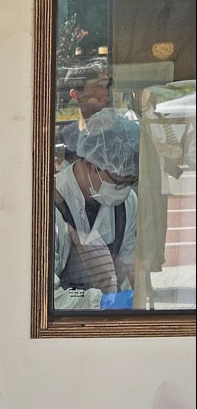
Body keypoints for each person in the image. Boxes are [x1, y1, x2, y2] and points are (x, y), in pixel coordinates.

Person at [53, 108, 141, 311]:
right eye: (119, 182)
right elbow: (46, 298)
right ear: (91, 164)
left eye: (131, 181)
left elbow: (125, 268)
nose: (125, 190)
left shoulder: (128, 203)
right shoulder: (53, 205)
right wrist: (99, 303)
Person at [57, 60, 112, 166]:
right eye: (100, 85)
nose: (107, 91)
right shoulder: (65, 139)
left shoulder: (123, 134)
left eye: (108, 85)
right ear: (75, 95)